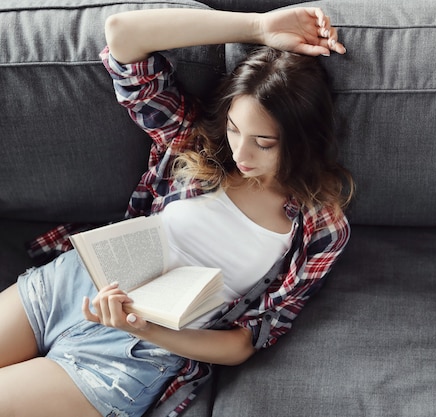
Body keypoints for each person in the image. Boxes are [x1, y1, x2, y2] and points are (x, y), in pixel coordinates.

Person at [0, 6, 352, 417]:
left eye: (264, 142)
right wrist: (257, 26)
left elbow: (244, 342)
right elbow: (122, 34)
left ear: (303, 140)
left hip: (135, 350)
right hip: (75, 284)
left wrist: (145, 327)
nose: (241, 153)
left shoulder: (321, 225)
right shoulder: (194, 142)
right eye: (235, 130)